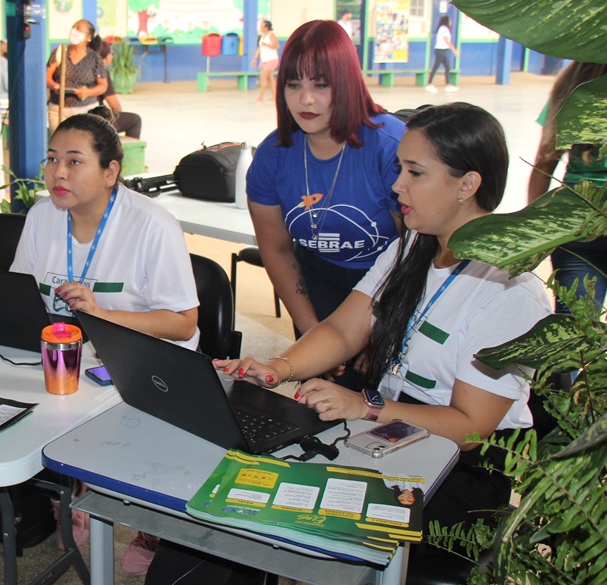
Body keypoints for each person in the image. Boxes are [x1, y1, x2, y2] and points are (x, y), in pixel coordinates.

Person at [217, 102, 551, 578]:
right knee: (259, 484)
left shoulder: (511, 289)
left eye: (415, 172)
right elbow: (341, 329)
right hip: (387, 435)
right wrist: (278, 369)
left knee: (300, 511)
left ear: (467, 184)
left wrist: (365, 407)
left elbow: (472, 428)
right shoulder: (413, 246)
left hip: (456, 472)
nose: (397, 185)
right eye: (400, 169)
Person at [10, 110, 199, 575]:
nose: (58, 172)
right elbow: (18, 298)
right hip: (65, 357)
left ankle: (150, 523)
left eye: (75, 162)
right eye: (52, 159)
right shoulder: (41, 217)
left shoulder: (150, 224)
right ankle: (72, 488)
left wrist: (101, 316)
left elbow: (182, 323)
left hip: (144, 359)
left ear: (111, 171)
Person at [246, 20, 405, 389]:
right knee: (321, 398)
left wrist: (380, 331)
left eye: (321, 84)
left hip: (392, 284)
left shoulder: (390, 147)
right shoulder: (273, 156)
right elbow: (278, 252)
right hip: (317, 280)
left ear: (346, 82)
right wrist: (314, 334)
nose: (306, 100)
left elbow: (414, 254)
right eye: (294, 84)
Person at [529, 60, 607, 312]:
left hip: (575, 226)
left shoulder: (571, 86)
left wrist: (534, 230)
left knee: (576, 333)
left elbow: (544, 163)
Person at [45, 19, 108, 133]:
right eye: (73, 27)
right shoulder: (60, 52)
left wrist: (87, 92)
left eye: (78, 28)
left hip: (86, 110)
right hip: (58, 110)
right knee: (60, 145)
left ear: (88, 37)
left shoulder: (94, 58)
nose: (74, 31)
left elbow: (103, 86)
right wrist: (54, 86)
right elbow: (46, 76)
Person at [92, 38, 143, 139]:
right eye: (111, 53)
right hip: (94, 118)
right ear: (106, 56)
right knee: (135, 120)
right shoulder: (102, 73)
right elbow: (115, 106)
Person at [425, 15, 459, 93]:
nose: (451, 21)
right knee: (436, 67)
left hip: (443, 50)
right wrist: (454, 51)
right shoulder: (444, 29)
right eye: (449, 20)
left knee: (447, 67)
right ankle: (429, 84)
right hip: (440, 50)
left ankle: (448, 85)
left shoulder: (443, 28)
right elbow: (447, 41)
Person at [249, 20, 279, 103]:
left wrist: (267, 45)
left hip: (272, 59)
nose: (260, 28)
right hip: (265, 60)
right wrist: (254, 59)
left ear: (266, 28)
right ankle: (275, 96)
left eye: (262, 26)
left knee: (263, 77)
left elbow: (276, 45)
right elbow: (259, 49)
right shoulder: (262, 36)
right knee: (270, 78)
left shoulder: (271, 35)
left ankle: (261, 97)